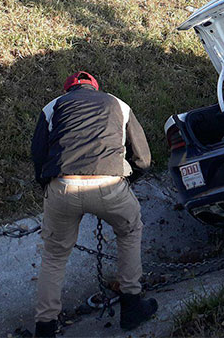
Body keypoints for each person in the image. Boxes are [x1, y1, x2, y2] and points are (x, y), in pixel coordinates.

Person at [31, 71, 157, 337]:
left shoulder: (53, 107)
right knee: (129, 231)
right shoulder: (118, 104)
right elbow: (143, 158)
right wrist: (127, 182)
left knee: (54, 256)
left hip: (63, 186)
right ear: (96, 89)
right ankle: (132, 305)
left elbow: (38, 154)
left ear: (67, 91)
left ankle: (45, 327)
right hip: (110, 185)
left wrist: (48, 186)